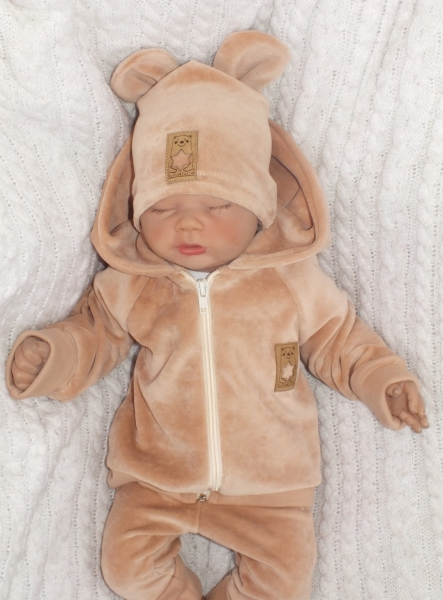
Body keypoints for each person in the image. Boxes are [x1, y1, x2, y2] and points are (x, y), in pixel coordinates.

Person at [6, 31, 428, 600]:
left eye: (218, 204)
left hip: (272, 485)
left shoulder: (289, 280)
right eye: (163, 207)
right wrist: (54, 355)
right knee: (127, 569)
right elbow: (95, 334)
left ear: (259, 207)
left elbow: (340, 340)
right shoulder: (135, 281)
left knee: (284, 582)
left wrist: (383, 379)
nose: (188, 223)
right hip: (157, 478)